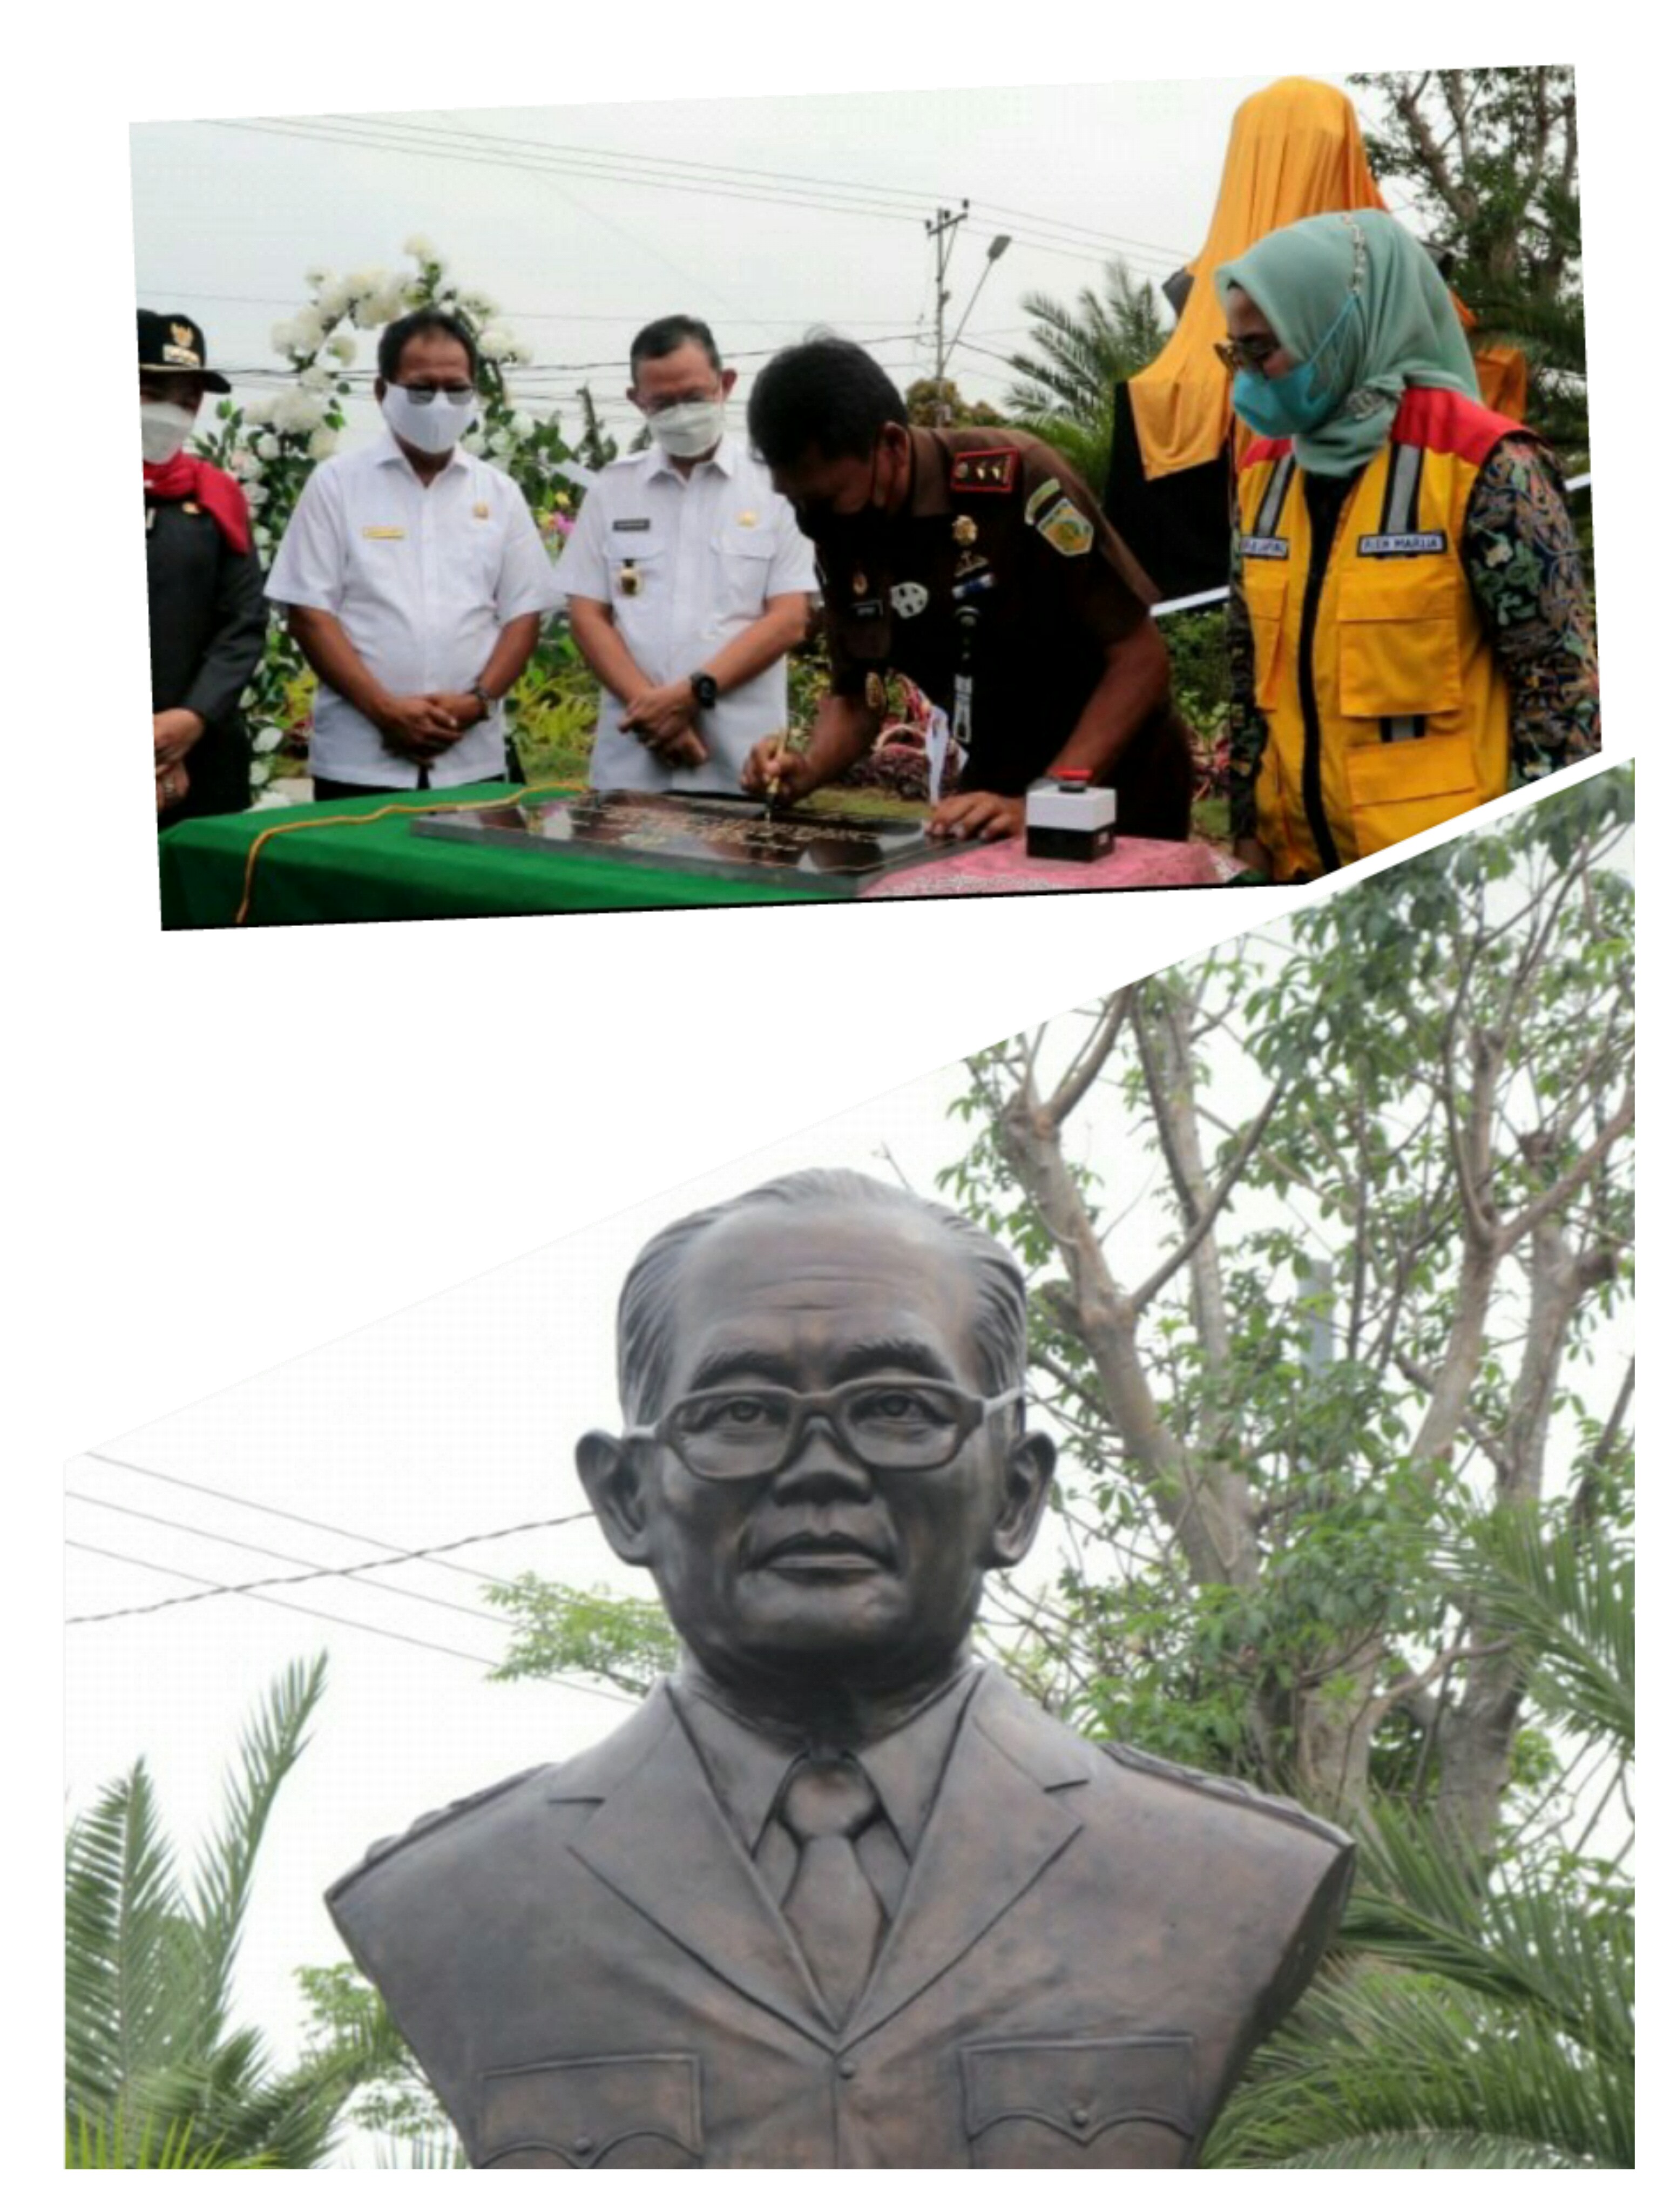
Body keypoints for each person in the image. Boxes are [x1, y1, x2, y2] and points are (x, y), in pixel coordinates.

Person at [328, 1171, 1353, 2170]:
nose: (820, 1464)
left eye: (898, 1407)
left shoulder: (1229, 1878)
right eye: (739, 1413)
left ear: (1016, 1491)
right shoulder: (455, 1900)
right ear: (627, 1495)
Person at [1219, 209, 1599, 881]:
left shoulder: (1488, 465)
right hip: (1298, 866)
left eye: (1262, 351)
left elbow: (1558, 690)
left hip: (1452, 875)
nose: (1245, 379)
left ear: (1338, 330)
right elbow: (1248, 667)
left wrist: (1542, 859)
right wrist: (1249, 830)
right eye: (1235, 353)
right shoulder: (1262, 470)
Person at [739, 338, 1196, 844]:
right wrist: (805, 769)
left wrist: (1047, 804)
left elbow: (1139, 657)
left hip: (1119, 780)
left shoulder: (1020, 480)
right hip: (995, 783)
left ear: (891, 444)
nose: (811, 521)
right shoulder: (843, 535)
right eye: (797, 501)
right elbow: (857, 699)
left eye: (826, 499)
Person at [266, 309, 563, 801]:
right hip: (361, 758)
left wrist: (478, 702)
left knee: (466, 881)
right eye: (422, 390)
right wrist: (384, 710)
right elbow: (308, 613)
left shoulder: (500, 493)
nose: (441, 404)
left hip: (471, 753)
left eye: (457, 389)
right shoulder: (337, 485)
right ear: (383, 394)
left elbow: (523, 614)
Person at [555, 315, 816, 793]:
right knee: (618, 869)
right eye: (663, 402)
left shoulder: (776, 486)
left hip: (743, 765)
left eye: (694, 397)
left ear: (726, 384)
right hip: (630, 765)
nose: (681, 412)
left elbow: (789, 618)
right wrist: (658, 716)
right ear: (638, 401)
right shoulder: (613, 489)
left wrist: (692, 694)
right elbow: (588, 615)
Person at [140, 311, 267, 826]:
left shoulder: (215, 496)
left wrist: (191, 719)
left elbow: (243, 623)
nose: (171, 411)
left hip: (205, 755)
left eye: (187, 399)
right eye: (151, 390)